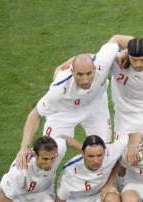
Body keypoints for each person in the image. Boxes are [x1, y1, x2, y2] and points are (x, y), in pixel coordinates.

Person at [14, 35, 129, 168]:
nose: (85, 80)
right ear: (72, 72)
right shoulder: (58, 90)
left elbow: (117, 39)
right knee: (51, 150)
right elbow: (35, 114)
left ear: (95, 69)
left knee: (103, 150)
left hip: (95, 104)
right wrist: (24, 147)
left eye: (89, 74)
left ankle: (102, 185)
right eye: (80, 75)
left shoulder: (102, 62)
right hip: (64, 111)